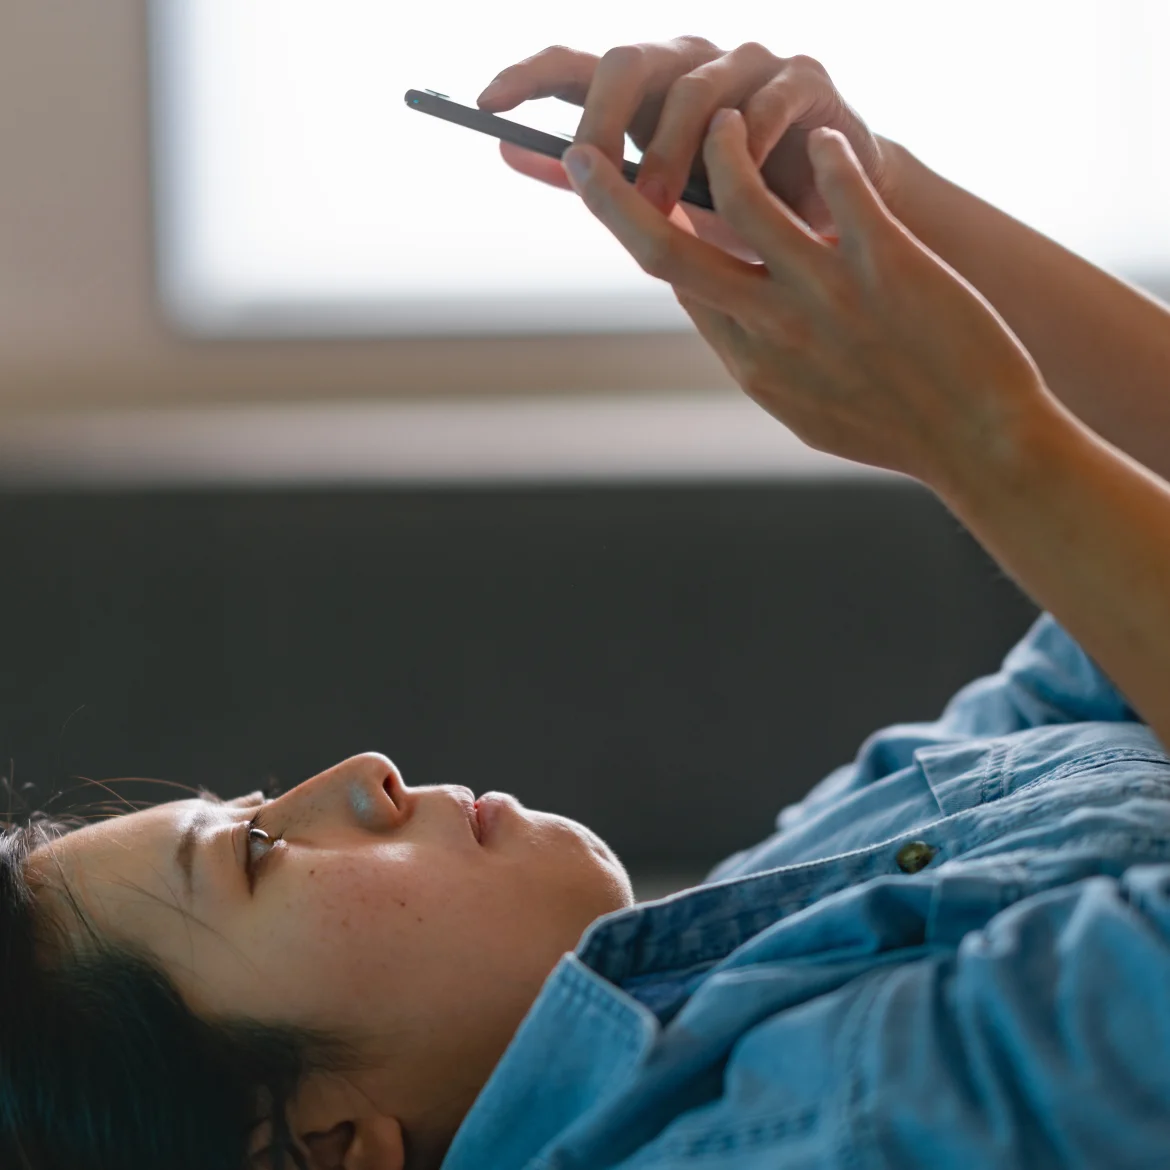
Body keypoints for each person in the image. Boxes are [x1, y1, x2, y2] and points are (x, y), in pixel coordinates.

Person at [6, 33, 1170, 1170]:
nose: (360, 776)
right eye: (255, 852)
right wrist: (975, 436)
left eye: (264, 800)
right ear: (321, 1146)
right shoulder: (820, 1128)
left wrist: (867, 201)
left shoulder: (738, 923)